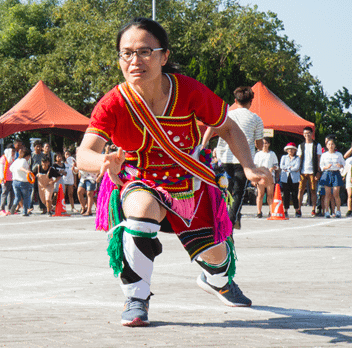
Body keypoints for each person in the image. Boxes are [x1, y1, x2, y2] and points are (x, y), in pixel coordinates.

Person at [77, 18, 272, 327]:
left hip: (189, 184)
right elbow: (84, 152)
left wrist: (248, 168)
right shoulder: (113, 103)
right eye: (126, 53)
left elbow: (229, 128)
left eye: (144, 51)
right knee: (140, 210)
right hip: (139, 181)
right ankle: (136, 297)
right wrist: (102, 163)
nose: (134, 60)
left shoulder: (190, 91)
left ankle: (217, 280)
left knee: (216, 257)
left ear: (164, 56)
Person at [203, 86, 264, 230]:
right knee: (238, 193)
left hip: (224, 158)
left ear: (235, 101)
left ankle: (224, 219)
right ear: (251, 102)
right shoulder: (256, 119)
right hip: (244, 161)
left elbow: (211, 128)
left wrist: (203, 145)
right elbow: (260, 145)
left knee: (225, 191)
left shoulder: (227, 115)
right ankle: (230, 222)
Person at [297, 127, 322, 217]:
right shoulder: (301, 146)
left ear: (312, 134)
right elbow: (299, 159)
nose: (306, 135)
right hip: (302, 171)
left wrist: (318, 171)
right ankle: (298, 209)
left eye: (308, 133)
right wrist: (297, 171)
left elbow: (319, 159)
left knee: (313, 191)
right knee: (300, 190)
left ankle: (313, 209)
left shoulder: (317, 145)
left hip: (313, 171)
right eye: (305, 133)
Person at [318, 137, 345, 218]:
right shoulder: (324, 155)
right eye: (329, 144)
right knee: (327, 194)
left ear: (335, 145)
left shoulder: (338, 154)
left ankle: (338, 211)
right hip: (327, 174)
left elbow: (343, 164)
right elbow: (321, 166)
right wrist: (326, 167)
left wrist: (340, 166)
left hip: (336, 173)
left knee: (336, 193)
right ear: (326, 145)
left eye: (332, 144)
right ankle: (326, 211)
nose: (331, 146)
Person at [253, 138, 279, 218]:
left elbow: (277, 166)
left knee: (270, 195)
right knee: (260, 195)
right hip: (260, 176)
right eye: (263, 143)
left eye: (266, 143)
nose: (264, 145)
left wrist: (272, 168)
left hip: (270, 177)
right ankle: (259, 212)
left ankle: (271, 211)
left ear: (269, 144)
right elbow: (254, 166)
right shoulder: (258, 154)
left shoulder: (272, 154)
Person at [280, 143, 302, 217]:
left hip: (294, 178)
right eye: (289, 149)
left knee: (294, 194)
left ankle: (297, 209)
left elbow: (297, 167)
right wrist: (290, 168)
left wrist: (287, 168)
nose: (290, 151)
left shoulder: (297, 158)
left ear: (295, 150)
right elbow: (281, 166)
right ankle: (285, 210)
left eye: (292, 149)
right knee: (286, 194)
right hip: (285, 178)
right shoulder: (284, 157)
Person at [9, 147, 32, 217]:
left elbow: (10, 169)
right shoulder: (24, 161)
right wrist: (26, 171)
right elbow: (21, 168)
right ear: (28, 156)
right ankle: (25, 212)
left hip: (15, 181)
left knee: (17, 197)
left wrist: (16, 173)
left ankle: (14, 206)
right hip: (23, 181)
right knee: (25, 197)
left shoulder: (16, 161)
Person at [0, 144, 15, 216]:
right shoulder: (3, 158)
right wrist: (1, 177)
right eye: (12, 151)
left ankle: (9, 209)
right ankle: (2, 209)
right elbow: (1, 169)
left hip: (12, 179)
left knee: (11, 194)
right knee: (4, 194)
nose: (13, 153)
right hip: (5, 179)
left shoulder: (12, 158)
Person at [30, 140, 45, 213]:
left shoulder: (43, 155)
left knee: (41, 192)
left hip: (41, 175)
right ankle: (30, 207)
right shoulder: (32, 155)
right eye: (37, 146)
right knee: (32, 191)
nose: (38, 148)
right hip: (33, 175)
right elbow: (29, 166)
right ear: (34, 147)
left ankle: (42, 207)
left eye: (39, 146)